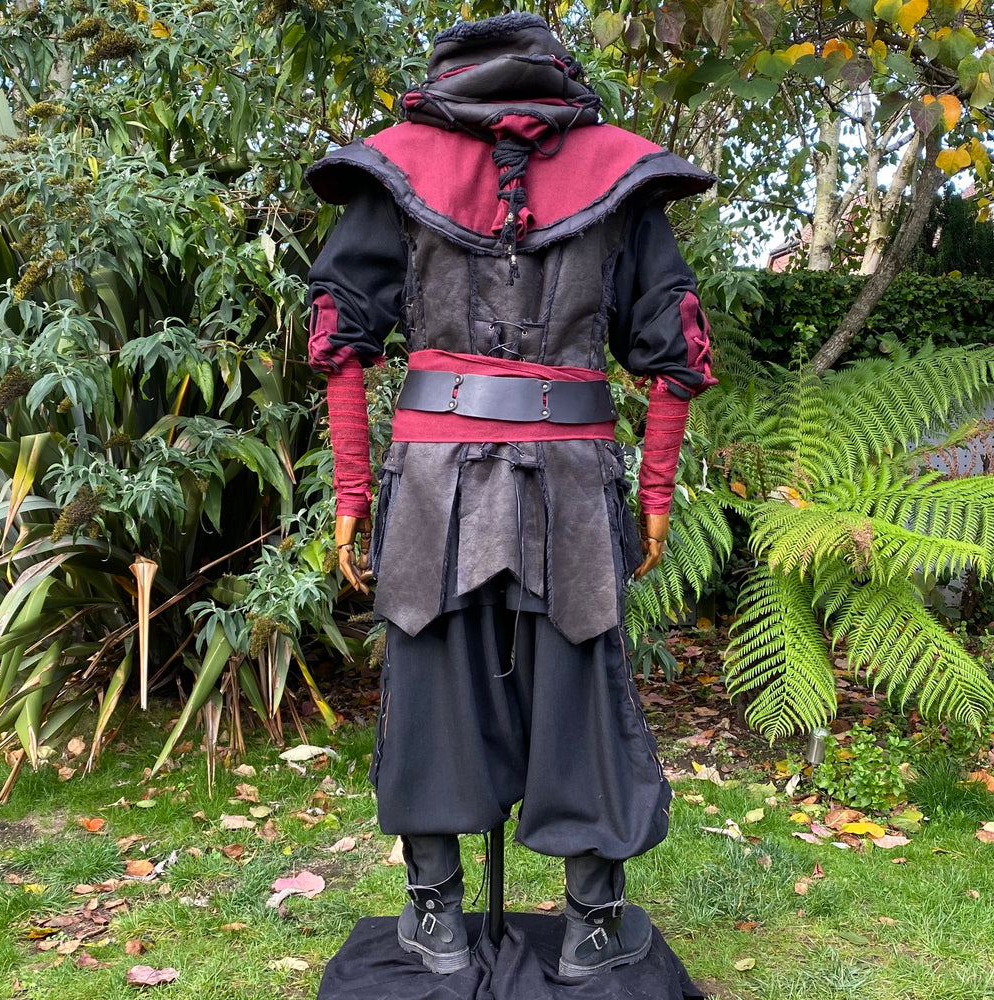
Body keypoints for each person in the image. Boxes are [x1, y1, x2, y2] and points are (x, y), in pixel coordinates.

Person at [306, 13, 715, 979]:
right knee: (580, 688)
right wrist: (656, 491)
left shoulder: (394, 170)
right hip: (570, 471)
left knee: (433, 678)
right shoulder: (618, 174)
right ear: (557, 75)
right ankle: (591, 923)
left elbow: (340, 336)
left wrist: (351, 490)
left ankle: (436, 915)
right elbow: (675, 346)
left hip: (433, 474)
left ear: (447, 75)